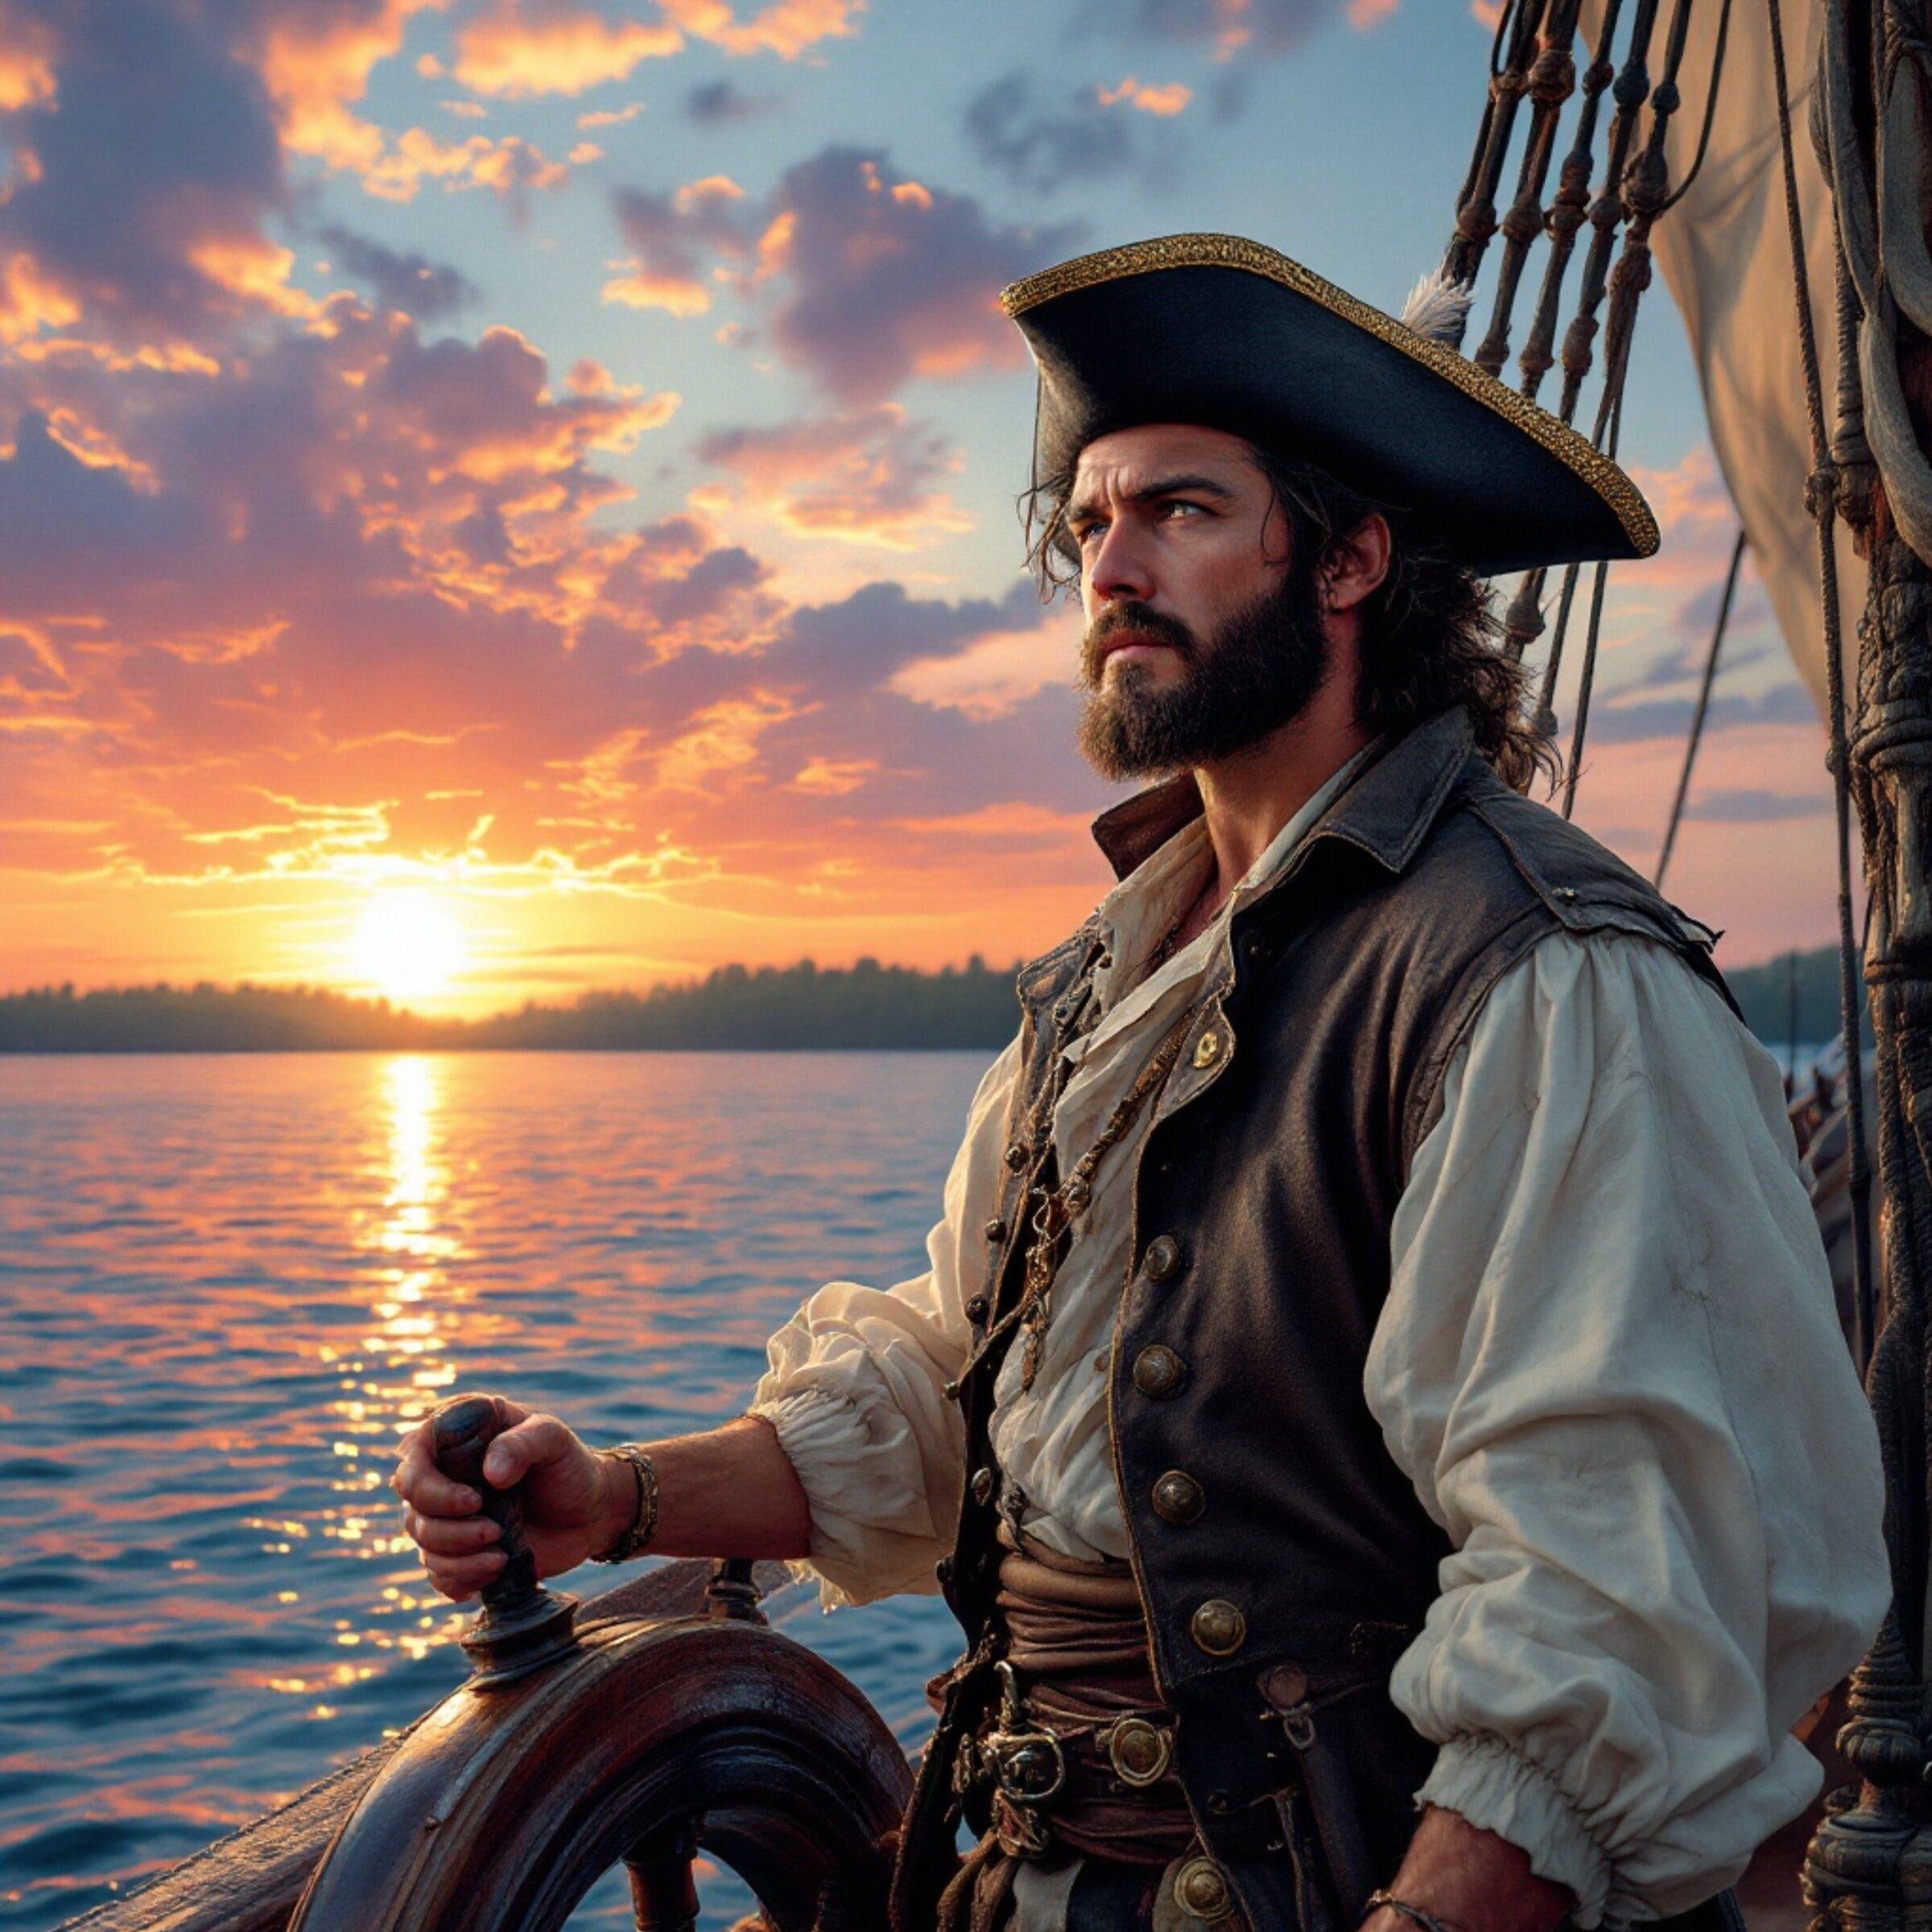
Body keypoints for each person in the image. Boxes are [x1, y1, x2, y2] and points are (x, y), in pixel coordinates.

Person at [394, 234, 1890, 1932]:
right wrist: (619, 1496)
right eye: (1091, 522)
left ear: (1350, 561)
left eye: (1178, 509)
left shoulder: (1545, 978)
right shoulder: (1113, 978)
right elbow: (951, 1398)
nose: (1110, 564)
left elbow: (1617, 1610)